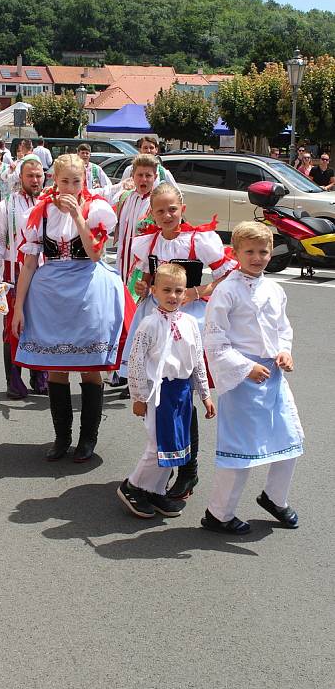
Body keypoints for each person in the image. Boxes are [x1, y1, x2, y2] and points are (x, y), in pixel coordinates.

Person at [12, 154, 135, 462]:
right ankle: (61, 436)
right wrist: (18, 307)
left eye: (76, 181)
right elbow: (29, 263)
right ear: (54, 180)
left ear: (85, 181)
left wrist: (79, 216)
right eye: (64, 180)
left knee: (90, 369)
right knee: (57, 370)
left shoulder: (97, 210)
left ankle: (87, 438)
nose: (69, 186)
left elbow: (95, 254)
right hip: (50, 294)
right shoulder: (40, 213)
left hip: (88, 290)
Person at [118, 182, 237, 495]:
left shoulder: (200, 240)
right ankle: (164, 464)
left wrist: (196, 292)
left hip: (190, 320)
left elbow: (227, 273)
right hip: (156, 320)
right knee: (161, 396)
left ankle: (188, 470)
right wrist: (144, 287)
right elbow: (144, 277)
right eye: (161, 210)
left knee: (184, 397)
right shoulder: (148, 242)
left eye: (172, 209)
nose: (167, 214)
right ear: (152, 214)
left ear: (182, 209)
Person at [202, 221, 303, 534]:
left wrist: (284, 351)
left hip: (272, 376)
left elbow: (282, 329)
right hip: (241, 378)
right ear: (235, 253)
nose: (257, 257)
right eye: (250, 251)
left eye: (263, 251)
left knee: (291, 438)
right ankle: (218, 513)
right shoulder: (227, 291)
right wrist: (245, 366)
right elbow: (214, 340)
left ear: (271, 253)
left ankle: (275, 497)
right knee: (240, 450)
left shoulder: (275, 289)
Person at [117, 263, 215, 518]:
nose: (173, 296)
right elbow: (137, 362)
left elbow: (196, 361)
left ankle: (155, 490)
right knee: (157, 444)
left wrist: (204, 394)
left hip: (182, 392)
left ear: (186, 294)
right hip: (157, 392)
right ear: (154, 291)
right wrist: (138, 397)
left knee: (175, 445)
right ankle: (133, 486)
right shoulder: (149, 324)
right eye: (167, 290)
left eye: (178, 291)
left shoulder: (191, 323)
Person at [0, 155, 48, 398]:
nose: (35, 180)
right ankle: (14, 380)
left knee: (42, 327)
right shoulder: (7, 205)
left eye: (38, 175)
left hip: (44, 275)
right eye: (30, 175)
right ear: (20, 177)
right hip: (13, 274)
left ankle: (39, 377)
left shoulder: (49, 202)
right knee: (13, 328)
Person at [114, 154, 158, 295]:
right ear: (132, 175)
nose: (143, 179)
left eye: (148, 175)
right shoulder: (124, 198)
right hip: (121, 266)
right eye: (140, 175)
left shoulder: (157, 203)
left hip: (143, 272)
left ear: (155, 177)